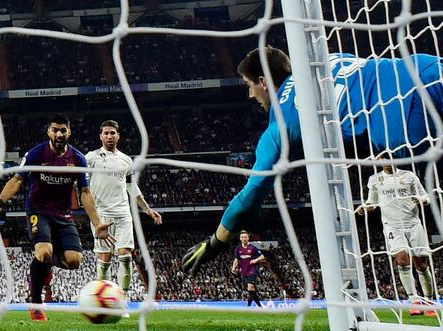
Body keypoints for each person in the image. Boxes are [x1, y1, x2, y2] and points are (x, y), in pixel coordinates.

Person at [182, 47, 443, 275]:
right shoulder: (324, 60)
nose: (250, 95)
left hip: (402, 114)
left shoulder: (279, 125)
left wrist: (214, 243)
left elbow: (251, 194)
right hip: (425, 66)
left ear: (262, 82)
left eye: (248, 85)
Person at [0, 114, 115, 321]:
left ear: (69, 132)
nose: (59, 134)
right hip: (38, 210)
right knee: (44, 252)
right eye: (55, 130)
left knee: (74, 261)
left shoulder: (78, 159)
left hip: (64, 214)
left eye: (63, 130)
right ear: (49, 132)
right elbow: (18, 179)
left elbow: (86, 193)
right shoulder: (36, 154)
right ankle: (35, 302)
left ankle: (45, 264)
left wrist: (97, 223)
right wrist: (0, 203)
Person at [85, 120, 162, 294]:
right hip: (102, 215)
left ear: (118, 136)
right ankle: (101, 299)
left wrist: (148, 210)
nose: (109, 136)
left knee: (126, 256)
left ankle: (123, 299)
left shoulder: (126, 160)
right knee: (105, 259)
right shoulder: (91, 158)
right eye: (106, 133)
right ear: (100, 136)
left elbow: (131, 187)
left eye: (112, 133)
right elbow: (82, 186)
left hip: (123, 213)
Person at [356, 164, 436, 316]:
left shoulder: (409, 176)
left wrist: (422, 200)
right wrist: (365, 208)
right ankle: (414, 301)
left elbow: (425, 196)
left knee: (421, 264)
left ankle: (430, 301)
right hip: (392, 226)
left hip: (413, 223)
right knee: (402, 260)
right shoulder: (375, 179)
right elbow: (372, 202)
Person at [230, 230, 265, 307]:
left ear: (248, 238)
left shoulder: (253, 248)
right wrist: (233, 267)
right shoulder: (238, 249)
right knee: (251, 290)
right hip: (244, 271)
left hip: (252, 270)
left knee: (250, 287)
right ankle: (260, 306)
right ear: (240, 238)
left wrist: (255, 260)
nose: (244, 238)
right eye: (242, 237)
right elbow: (236, 259)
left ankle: (248, 307)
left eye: (245, 237)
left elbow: (262, 256)